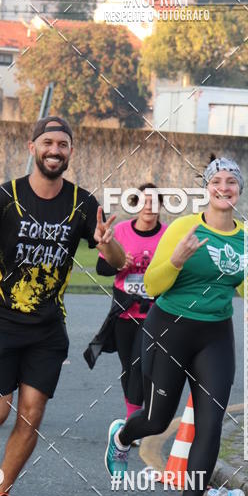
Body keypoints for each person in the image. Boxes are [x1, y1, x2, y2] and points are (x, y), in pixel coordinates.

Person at [0, 115, 125, 496]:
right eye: (48, 142)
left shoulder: (83, 204)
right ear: (32, 147)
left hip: (47, 328)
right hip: (0, 319)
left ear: (70, 151)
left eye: (62, 144)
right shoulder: (6, 196)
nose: (55, 150)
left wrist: (109, 246)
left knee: (31, 415)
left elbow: (116, 264)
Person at [104, 157, 248, 496]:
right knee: (156, 419)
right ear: (206, 188)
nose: (224, 187)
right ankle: (122, 438)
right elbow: (153, 285)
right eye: (216, 180)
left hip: (215, 334)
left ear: (239, 190)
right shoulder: (185, 227)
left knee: (211, 423)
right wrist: (176, 260)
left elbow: (245, 290)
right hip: (169, 328)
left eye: (231, 182)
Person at [84, 185, 167, 431]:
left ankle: (135, 421)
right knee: (128, 366)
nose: (149, 206)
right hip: (124, 310)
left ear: (161, 206)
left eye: (154, 201)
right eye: (144, 201)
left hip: (155, 311)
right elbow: (102, 269)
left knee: (141, 363)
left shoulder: (167, 234)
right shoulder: (120, 231)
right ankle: (136, 413)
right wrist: (120, 264)